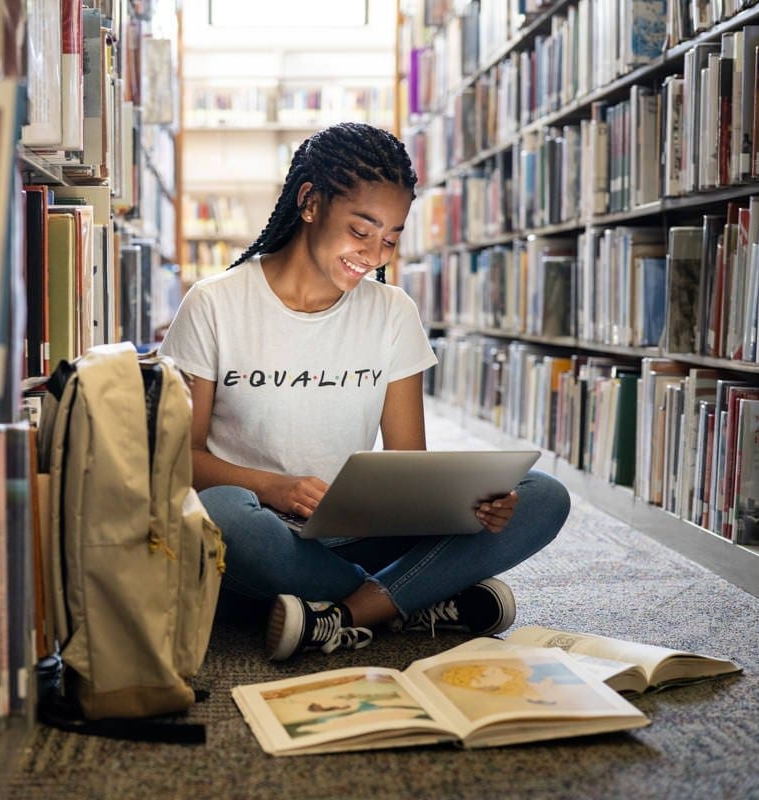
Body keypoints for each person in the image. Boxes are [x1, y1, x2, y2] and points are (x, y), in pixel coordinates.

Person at [157, 122, 571, 662]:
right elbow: (177, 462)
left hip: (352, 531)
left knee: (541, 495)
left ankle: (344, 615)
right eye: (361, 230)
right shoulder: (214, 304)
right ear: (310, 202)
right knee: (226, 517)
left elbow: (407, 469)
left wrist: (470, 507)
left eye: (392, 238)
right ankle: (413, 599)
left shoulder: (393, 312)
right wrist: (276, 488)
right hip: (262, 534)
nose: (374, 254)